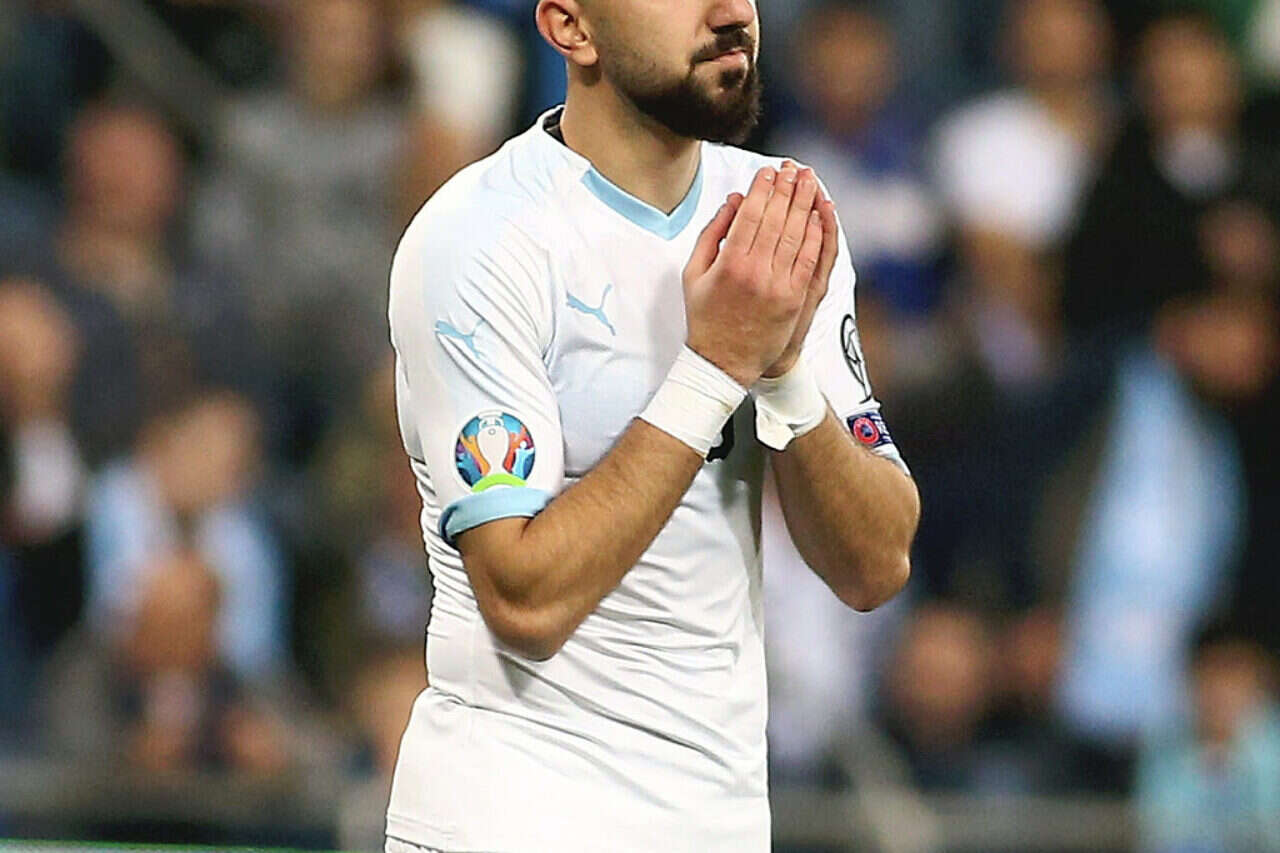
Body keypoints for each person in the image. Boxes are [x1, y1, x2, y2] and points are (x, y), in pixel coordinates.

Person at [383, 0, 920, 849]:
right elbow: (523, 599)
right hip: (510, 818)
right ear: (571, 28)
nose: (730, 12)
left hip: (718, 821)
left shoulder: (777, 218)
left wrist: (783, 375)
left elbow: (876, 563)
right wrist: (714, 368)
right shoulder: (481, 237)